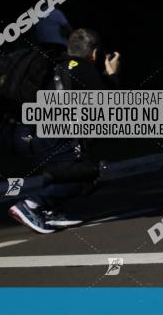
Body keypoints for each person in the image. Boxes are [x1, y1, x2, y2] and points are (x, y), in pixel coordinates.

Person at [8, 29, 121, 234]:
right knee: (91, 175)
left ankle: (51, 211)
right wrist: (113, 75)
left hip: (33, 134)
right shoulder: (83, 68)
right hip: (55, 137)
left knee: (60, 170)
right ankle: (32, 204)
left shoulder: (56, 65)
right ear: (94, 53)